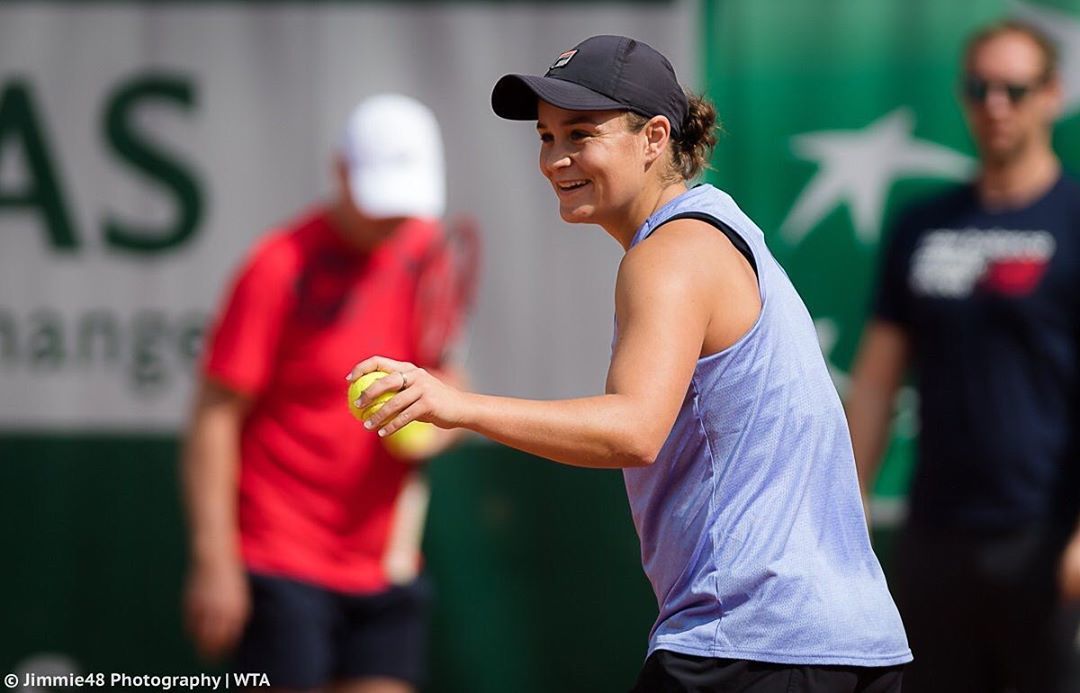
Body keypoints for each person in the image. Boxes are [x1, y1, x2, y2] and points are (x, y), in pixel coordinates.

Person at [347, 35, 911, 692]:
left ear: (654, 137)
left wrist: (458, 406)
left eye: (580, 134)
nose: (555, 159)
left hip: (752, 644)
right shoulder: (720, 233)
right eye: (546, 136)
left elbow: (634, 430)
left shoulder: (670, 254)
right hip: (855, 649)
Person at [181, 93, 460, 693]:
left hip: (385, 566)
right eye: (379, 198)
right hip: (278, 561)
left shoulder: (426, 254)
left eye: (404, 201)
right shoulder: (276, 266)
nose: (392, 219)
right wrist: (215, 559)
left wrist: (443, 421)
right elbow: (214, 415)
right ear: (340, 172)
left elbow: (447, 377)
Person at [846, 20, 1080, 693]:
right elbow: (876, 380)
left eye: (1015, 89)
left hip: (1046, 536)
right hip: (935, 535)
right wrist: (849, 503)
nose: (996, 105)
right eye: (980, 88)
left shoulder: (1074, 220)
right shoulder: (922, 224)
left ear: (1052, 94)